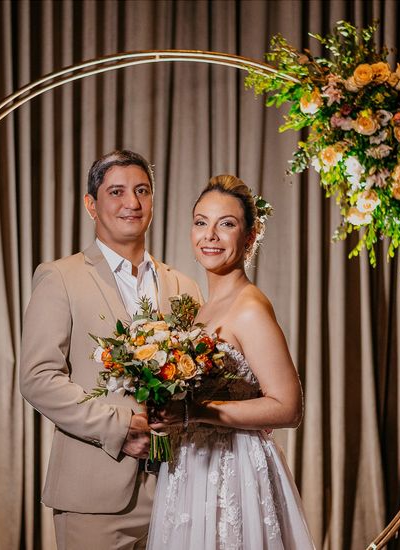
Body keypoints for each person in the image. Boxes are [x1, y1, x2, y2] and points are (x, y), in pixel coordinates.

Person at [19, 150, 203, 550]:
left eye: (142, 191)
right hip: (93, 497)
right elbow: (38, 379)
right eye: (116, 191)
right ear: (91, 204)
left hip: (178, 490)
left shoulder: (183, 286)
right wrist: (119, 429)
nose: (132, 203)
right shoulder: (60, 277)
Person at [146, 175, 315, 549]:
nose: (210, 235)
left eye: (226, 224)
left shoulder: (249, 307)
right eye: (201, 222)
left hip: (233, 473)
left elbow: (289, 408)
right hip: (190, 470)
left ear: (251, 237)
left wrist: (194, 413)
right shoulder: (200, 311)